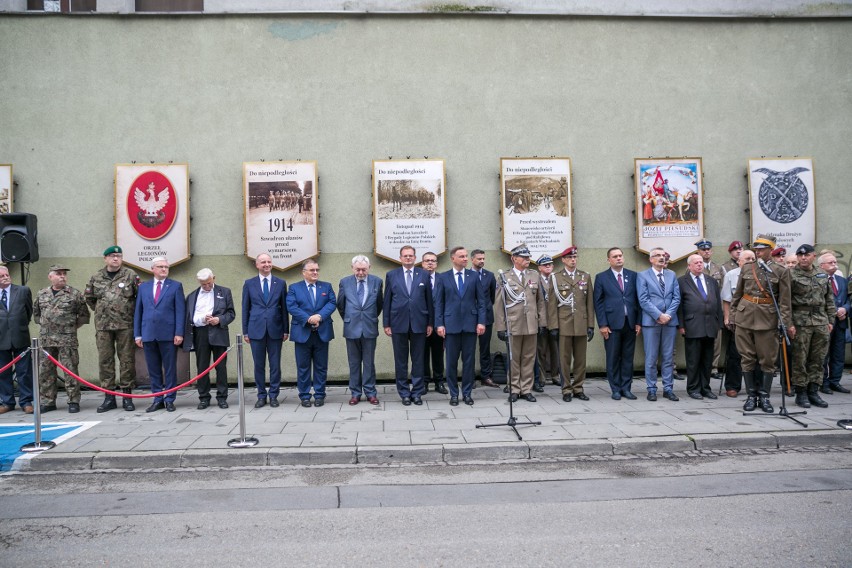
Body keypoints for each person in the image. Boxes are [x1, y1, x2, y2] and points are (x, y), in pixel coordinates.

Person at [731, 234, 792, 413]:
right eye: (756, 249)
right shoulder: (747, 268)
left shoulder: (780, 271)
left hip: (768, 319)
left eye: (761, 249)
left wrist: (785, 322)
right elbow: (738, 294)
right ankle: (751, 396)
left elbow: (785, 301)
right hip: (745, 317)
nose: (757, 252)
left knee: (767, 360)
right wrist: (733, 315)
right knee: (747, 358)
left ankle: (764, 397)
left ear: (770, 250)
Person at [85, 245, 140, 412]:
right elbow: (90, 298)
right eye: (112, 256)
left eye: (119, 256)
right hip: (103, 327)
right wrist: (104, 311)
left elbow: (139, 298)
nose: (116, 258)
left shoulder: (130, 275)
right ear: (105, 259)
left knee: (127, 361)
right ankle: (109, 398)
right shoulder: (96, 277)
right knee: (105, 361)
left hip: (125, 325)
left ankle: (127, 397)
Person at [433, 246, 486, 406]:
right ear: (453, 258)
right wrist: (439, 324)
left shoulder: (473, 276)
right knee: (451, 363)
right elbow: (439, 303)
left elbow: (481, 302)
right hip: (451, 326)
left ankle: (467, 393)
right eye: (461, 256)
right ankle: (454, 394)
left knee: (469, 362)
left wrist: (481, 322)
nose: (465, 259)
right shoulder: (443, 277)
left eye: (465, 256)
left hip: (470, 325)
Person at [33, 265, 90, 413]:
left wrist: (69, 328)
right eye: (58, 274)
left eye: (64, 274)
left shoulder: (74, 294)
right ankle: (48, 401)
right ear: (50, 277)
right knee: (45, 372)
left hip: (67, 339)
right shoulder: (42, 294)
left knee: (70, 370)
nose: (62, 276)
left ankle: (73, 400)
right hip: (46, 340)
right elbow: (37, 315)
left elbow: (84, 316)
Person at [494, 244, 547, 402]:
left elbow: (540, 302)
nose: (527, 259)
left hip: (531, 324)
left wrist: (542, 322)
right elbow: (498, 304)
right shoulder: (504, 276)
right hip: (513, 324)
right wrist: (501, 327)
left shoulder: (534, 275)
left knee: (529, 357)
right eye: (523, 257)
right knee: (514, 358)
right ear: (514, 258)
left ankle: (526, 389)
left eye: (528, 256)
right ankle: (514, 388)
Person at [383, 245, 433, 405]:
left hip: (420, 323)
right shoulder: (391, 275)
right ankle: (404, 392)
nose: (408, 258)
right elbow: (387, 301)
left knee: (418, 360)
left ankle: (417, 392)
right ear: (400, 258)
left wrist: (430, 322)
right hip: (398, 323)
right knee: (401, 360)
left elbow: (429, 301)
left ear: (415, 257)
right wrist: (386, 323)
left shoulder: (424, 274)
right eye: (405, 256)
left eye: (411, 255)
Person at [134, 257, 184, 412]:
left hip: (168, 334)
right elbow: (138, 311)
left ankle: (169, 399)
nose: (164, 269)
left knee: (169, 369)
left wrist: (179, 332)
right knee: (153, 369)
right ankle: (157, 398)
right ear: (153, 269)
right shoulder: (144, 287)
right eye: (160, 267)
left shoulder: (175, 286)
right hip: (148, 334)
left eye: (166, 267)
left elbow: (180, 311)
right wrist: (138, 334)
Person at [788, 244, 835, 408]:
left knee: (818, 358)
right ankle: (801, 393)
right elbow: (785, 302)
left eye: (806, 255)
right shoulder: (791, 275)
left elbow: (829, 299)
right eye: (800, 255)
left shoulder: (821, 274)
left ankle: (813, 391)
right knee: (800, 358)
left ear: (813, 256)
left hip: (821, 321)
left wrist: (830, 320)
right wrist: (789, 323)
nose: (803, 258)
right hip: (801, 322)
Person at [547, 246, 595, 402]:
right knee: (564, 359)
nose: (573, 260)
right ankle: (566, 389)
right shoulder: (556, 277)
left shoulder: (585, 276)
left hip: (581, 323)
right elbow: (552, 305)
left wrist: (590, 325)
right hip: (564, 324)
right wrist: (553, 326)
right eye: (569, 258)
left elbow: (589, 303)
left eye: (575, 257)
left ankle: (578, 388)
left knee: (581, 359)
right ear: (563, 260)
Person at [241, 253, 289, 408]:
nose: (266, 264)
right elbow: (245, 308)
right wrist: (245, 331)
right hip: (256, 330)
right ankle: (261, 395)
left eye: (269, 261)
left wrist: (286, 330)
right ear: (257, 265)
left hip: (276, 329)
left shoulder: (280, 283)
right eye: (263, 262)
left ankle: (274, 395)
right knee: (259, 365)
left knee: (275, 365)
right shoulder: (249, 283)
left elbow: (284, 309)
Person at [183, 268, 235, 410]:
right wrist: (202, 319)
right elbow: (190, 317)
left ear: (214, 278)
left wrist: (219, 319)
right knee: (202, 367)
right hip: (201, 333)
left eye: (209, 283)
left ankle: (222, 397)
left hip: (219, 332)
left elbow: (231, 313)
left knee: (221, 367)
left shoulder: (224, 292)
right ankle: (204, 397)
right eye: (203, 284)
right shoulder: (192, 296)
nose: (206, 286)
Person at [593, 247, 641, 400]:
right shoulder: (601, 277)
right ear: (609, 260)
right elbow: (598, 303)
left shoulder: (633, 276)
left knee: (628, 357)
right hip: (612, 325)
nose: (619, 258)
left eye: (620, 255)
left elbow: (638, 300)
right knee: (613, 357)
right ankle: (615, 389)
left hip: (630, 324)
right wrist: (602, 325)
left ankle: (626, 388)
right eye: (615, 256)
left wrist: (638, 322)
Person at [287, 259, 336, 407]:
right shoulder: (294, 288)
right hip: (302, 333)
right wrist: (308, 318)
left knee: (321, 366)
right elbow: (292, 306)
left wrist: (319, 316)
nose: (315, 272)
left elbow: (332, 303)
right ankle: (305, 395)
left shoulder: (326, 286)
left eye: (317, 270)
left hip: (322, 332)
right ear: (304, 272)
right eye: (312, 270)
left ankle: (320, 395)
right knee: (303, 366)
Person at [337, 254, 383, 406]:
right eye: (358, 269)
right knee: (354, 362)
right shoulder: (345, 282)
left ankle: (370, 392)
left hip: (369, 327)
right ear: (352, 268)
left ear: (369, 268)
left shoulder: (377, 281)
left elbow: (379, 305)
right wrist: (350, 318)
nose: (361, 273)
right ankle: (355, 393)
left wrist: (368, 318)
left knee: (369, 362)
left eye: (364, 269)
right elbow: (341, 305)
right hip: (351, 327)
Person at [637, 247, 681, 402]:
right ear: (651, 259)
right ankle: (651, 389)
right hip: (651, 322)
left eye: (663, 255)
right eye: (658, 256)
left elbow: (676, 297)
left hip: (669, 321)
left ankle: (668, 389)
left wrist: (668, 315)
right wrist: (658, 315)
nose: (662, 258)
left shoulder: (671, 274)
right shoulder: (643, 276)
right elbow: (643, 299)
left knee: (668, 357)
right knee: (651, 357)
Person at [677, 254, 723, 400]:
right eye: (696, 263)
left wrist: (719, 323)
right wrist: (681, 325)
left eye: (701, 262)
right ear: (689, 266)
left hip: (710, 325)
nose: (699, 265)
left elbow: (718, 303)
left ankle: (705, 388)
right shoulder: (682, 281)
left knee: (707, 360)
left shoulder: (711, 281)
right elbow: (679, 306)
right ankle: (693, 388)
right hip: (692, 325)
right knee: (693, 360)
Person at [720, 249, 764, 397]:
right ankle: (733, 385)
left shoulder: (762, 275)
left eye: (753, 258)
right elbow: (727, 300)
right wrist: (727, 318)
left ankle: (756, 386)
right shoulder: (731, 275)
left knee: (758, 353)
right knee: (735, 354)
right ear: (739, 261)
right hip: (739, 319)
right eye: (747, 259)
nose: (750, 261)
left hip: (758, 319)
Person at [0, 265, 34, 414]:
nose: (6, 277)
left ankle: (26, 401)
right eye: (1, 276)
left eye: (6, 274)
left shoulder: (23, 291)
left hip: (20, 336)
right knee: (3, 373)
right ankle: (7, 402)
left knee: (24, 371)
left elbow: (28, 312)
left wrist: (17, 325)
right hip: (1, 339)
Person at [818, 252, 850, 394]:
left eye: (835, 261)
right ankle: (823, 383)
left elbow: (848, 299)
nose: (834, 264)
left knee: (838, 354)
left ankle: (835, 381)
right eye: (830, 262)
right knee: (823, 355)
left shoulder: (842, 280)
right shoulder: (818, 280)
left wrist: (845, 309)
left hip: (841, 322)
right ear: (821, 265)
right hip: (825, 322)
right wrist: (835, 310)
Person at [695, 239, 725, 381]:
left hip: (714, 309)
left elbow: (723, 290)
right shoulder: (693, 268)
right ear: (698, 252)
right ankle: (701, 366)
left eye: (708, 249)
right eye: (703, 249)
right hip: (699, 311)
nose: (706, 252)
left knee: (716, 340)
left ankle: (714, 367)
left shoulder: (718, 268)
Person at [470, 249, 499, 389]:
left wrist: (485, 309)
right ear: (472, 260)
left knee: (485, 348)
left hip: (486, 317)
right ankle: (469, 378)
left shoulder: (489, 275)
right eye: (479, 259)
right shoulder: (467, 274)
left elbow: (493, 297)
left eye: (483, 258)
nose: (482, 261)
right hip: (469, 317)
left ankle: (486, 376)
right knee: (468, 349)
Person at [420, 251, 447, 394]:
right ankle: (424, 382)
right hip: (422, 325)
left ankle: (439, 382)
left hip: (439, 324)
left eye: (433, 260)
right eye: (427, 260)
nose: (430, 263)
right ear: (422, 263)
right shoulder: (417, 278)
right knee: (422, 355)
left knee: (438, 355)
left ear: (436, 264)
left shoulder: (443, 279)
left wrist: (442, 323)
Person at [535, 255, 560, 390]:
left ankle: (556, 376)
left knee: (556, 350)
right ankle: (542, 377)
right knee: (541, 350)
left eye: (550, 264)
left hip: (556, 321)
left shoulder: (556, 279)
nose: (548, 266)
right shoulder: (536, 280)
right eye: (545, 265)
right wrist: (541, 323)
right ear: (539, 267)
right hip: (542, 321)